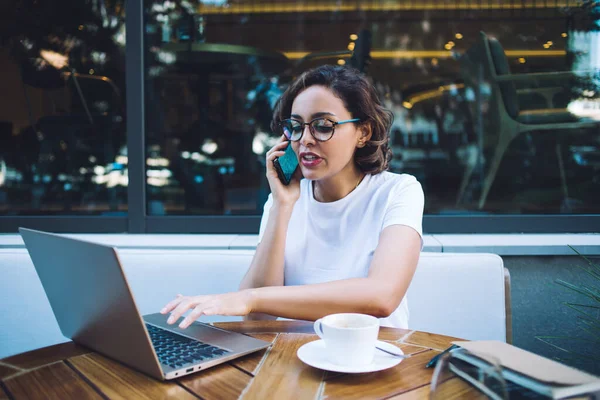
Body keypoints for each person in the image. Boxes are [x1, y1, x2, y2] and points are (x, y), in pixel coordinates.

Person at [161, 65, 424, 330]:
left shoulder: (399, 191)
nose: (305, 139)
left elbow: (381, 296)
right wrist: (282, 205)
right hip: (292, 356)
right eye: (296, 127)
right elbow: (257, 318)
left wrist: (251, 298)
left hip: (376, 355)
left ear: (363, 133)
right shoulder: (283, 199)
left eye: (323, 126)